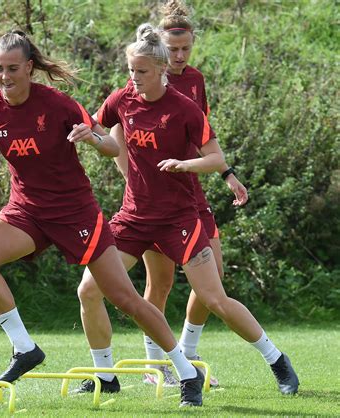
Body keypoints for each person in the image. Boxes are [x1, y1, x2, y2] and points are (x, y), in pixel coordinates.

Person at [0, 29, 210, 408]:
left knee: (125, 299)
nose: (4, 77)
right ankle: (25, 349)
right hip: (26, 212)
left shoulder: (57, 104)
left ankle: (186, 372)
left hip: (75, 213)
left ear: (30, 68)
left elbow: (111, 145)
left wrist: (91, 137)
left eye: (11, 69)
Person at [75, 23, 299, 406]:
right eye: (131, 71)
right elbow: (112, 143)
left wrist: (185, 163)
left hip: (179, 219)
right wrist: (92, 138)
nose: (134, 79)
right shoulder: (122, 99)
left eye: (142, 72)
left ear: (162, 71)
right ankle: (106, 376)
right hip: (134, 217)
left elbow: (216, 159)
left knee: (214, 298)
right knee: (89, 290)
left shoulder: (184, 108)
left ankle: (277, 361)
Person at [110, 0, 248, 388]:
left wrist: (227, 175)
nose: (180, 56)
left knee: (214, 279)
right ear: (159, 50)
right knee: (161, 283)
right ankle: (158, 364)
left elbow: (204, 139)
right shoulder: (142, 77)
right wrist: (128, 173)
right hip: (155, 201)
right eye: (173, 50)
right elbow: (115, 124)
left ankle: (188, 351)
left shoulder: (195, 80)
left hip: (192, 192)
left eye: (187, 48)